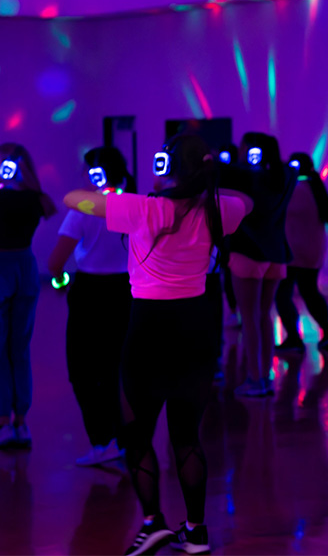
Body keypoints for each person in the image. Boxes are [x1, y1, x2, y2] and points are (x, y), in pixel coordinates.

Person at [64, 135, 251, 555]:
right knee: (187, 437)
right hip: (197, 328)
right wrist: (208, 179)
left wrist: (118, 193)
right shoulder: (219, 209)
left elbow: (73, 197)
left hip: (148, 327)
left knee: (137, 433)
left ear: (168, 167)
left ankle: (153, 524)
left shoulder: (141, 207)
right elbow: (247, 200)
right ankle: (196, 531)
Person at [47, 146, 135, 466]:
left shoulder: (83, 209)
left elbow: (56, 262)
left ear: (95, 173)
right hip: (127, 291)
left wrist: (61, 281)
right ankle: (126, 440)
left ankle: (102, 442)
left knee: (83, 370)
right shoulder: (132, 205)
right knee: (118, 368)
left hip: (89, 293)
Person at [227, 132, 296, 397]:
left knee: (249, 318)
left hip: (247, 254)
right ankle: (264, 377)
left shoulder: (244, 178)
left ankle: (254, 379)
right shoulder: (286, 177)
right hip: (276, 256)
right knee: (264, 316)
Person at [0, 142, 57, 449]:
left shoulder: (28, 197)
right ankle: (16, 421)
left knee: (9, 348)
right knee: (16, 348)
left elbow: (46, 208)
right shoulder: (32, 198)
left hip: (14, 267)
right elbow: (46, 209)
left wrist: (23, 184)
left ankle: (10, 422)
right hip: (24, 268)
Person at [275, 153, 328, 351]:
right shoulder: (315, 189)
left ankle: (294, 338)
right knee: (310, 293)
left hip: (294, 253)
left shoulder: (297, 190)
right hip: (311, 253)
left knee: (283, 295)